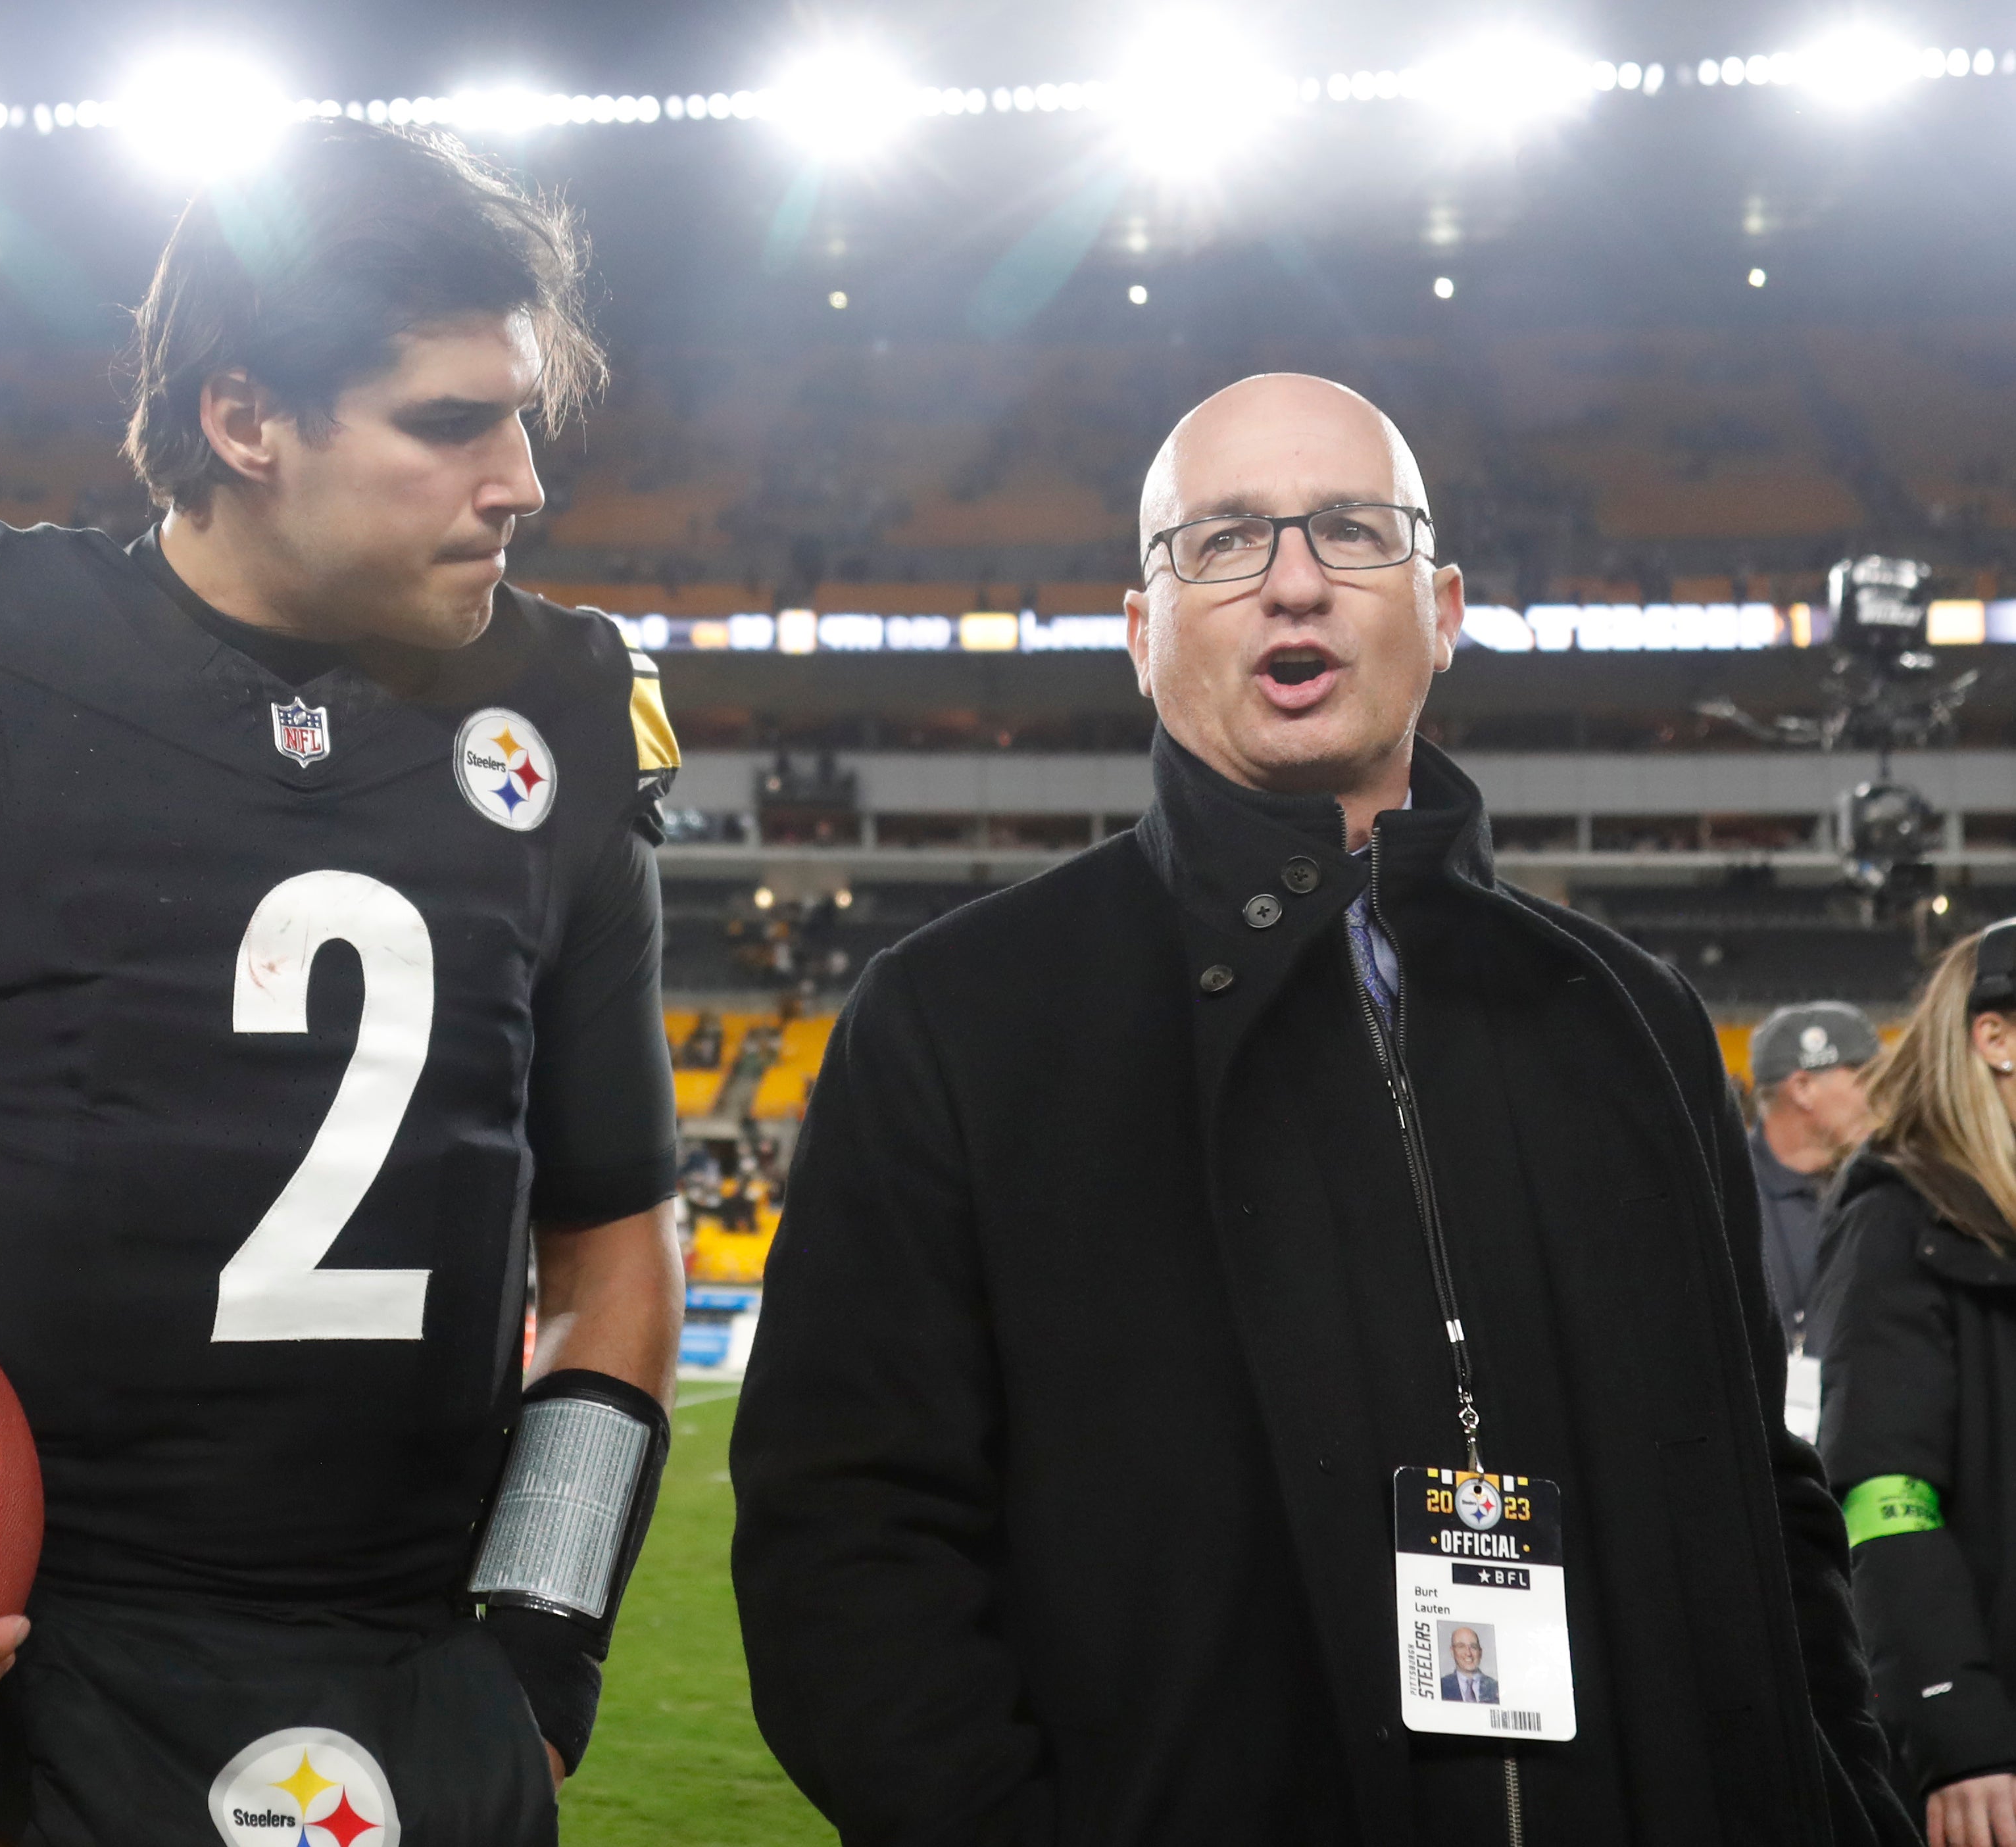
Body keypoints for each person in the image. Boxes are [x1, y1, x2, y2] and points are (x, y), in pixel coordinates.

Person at [0, 121, 685, 1847]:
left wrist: (539, 1651)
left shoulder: (568, 711)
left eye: (518, 414)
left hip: (431, 1706)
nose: (519, 478)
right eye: (450, 422)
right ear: (242, 419)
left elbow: (614, 1259)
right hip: (25, 1691)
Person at [731, 373, 1914, 1846]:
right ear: (1141, 631)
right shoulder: (957, 1022)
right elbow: (845, 1546)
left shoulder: (1633, 1021)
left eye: (1353, 531)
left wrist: (1847, 1800)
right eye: (1223, 542)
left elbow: (1766, 1494)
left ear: (1447, 607)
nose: (1294, 582)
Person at [1813, 920, 2016, 1847]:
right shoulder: (1898, 1221)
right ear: (1994, 1037)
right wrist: (1957, 1731)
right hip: (1991, 1747)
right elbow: (1884, 1494)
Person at [1747, 1002, 1881, 1352]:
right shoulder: (1722, 1194)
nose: (1880, 1095)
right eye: (1864, 1079)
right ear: (1803, 1088)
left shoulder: (1880, 1184)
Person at [1440, 1628, 1498, 1705]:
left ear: (1480, 1652)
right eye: (1461, 1647)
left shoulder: (1495, 1688)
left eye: (1473, 1647)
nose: (1468, 1653)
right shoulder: (1441, 1687)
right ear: (1452, 1651)